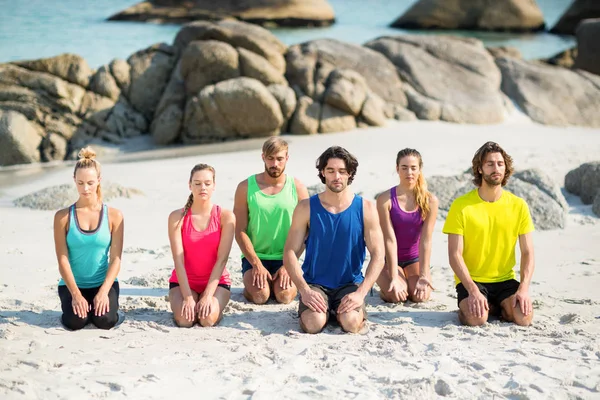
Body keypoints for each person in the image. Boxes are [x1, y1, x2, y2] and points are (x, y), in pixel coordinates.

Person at [283, 146, 385, 334]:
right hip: (315, 283)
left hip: (349, 284)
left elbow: (378, 255)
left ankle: (339, 312)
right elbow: (289, 252)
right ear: (323, 173)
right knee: (313, 323)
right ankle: (325, 311)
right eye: (330, 170)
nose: (336, 176)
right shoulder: (306, 207)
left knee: (351, 323)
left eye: (342, 171)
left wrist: (360, 293)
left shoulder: (366, 208)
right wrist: (304, 290)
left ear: (350, 174)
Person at [443, 141, 535, 327]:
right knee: (476, 319)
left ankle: (497, 306)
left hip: (505, 280)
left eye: (500, 164)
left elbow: (528, 252)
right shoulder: (461, 206)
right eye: (490, 164)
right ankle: (481, 307)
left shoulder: (518, 206)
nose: (496, 168)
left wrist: (523, 288)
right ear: (479, 169)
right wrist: (472, 290)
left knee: (523, 319)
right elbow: (454, 255)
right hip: (472, 280)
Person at [53, 147, 124, 330]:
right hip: (72, 286)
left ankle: (110, 309)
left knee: (105, 321)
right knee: (75, 322)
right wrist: (76, 295)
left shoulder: (114, 216)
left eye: (91, 183)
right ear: (74, 180)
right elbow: (62, 259)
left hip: (104, 284)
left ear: (99, 181)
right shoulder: (63, 217)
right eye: (81, 182)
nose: (85, 188)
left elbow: (116, 259)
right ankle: (75, 307)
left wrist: (103, 292)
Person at [233, 137, 309, 305]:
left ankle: (277, 282)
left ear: (287, 159)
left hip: (288, 255)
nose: (275, 163)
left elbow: (307, 231)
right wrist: (256, 264)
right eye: (270, 158)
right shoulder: (245, 187)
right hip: (256, 256)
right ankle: (250, 288)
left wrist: (290, 263)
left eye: (280, 159)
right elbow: (239, 230)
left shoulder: (297, 187)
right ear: (263, 157)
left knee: (284, 297)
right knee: (260, 296)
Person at [167, 164, 234, 327]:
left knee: (206, 320)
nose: (202, 187)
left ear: (214, 186)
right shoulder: (177, 217)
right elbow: (178, 261)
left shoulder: (225, 216)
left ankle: (216, 308)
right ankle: (189, 302)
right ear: (190, 186)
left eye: (207, 183)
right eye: (197, 183)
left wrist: (208, 296)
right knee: (185, 321)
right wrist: (188, 297)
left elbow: (222, 260)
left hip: (217, 283)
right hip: (183, 281)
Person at [376, 148, 438, 303]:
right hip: (389, 259)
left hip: (414, 259)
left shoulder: (430, 201)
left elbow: (426, 240)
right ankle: (384, 285)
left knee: (419, 297)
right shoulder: (385, 199)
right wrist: (394, 276)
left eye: (413, 168)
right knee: (395, 296)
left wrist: (424, 274)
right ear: (397, 169)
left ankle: (411, 277)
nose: (409, 172)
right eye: (404, 168)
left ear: (419, 170)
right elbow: (389, 239)